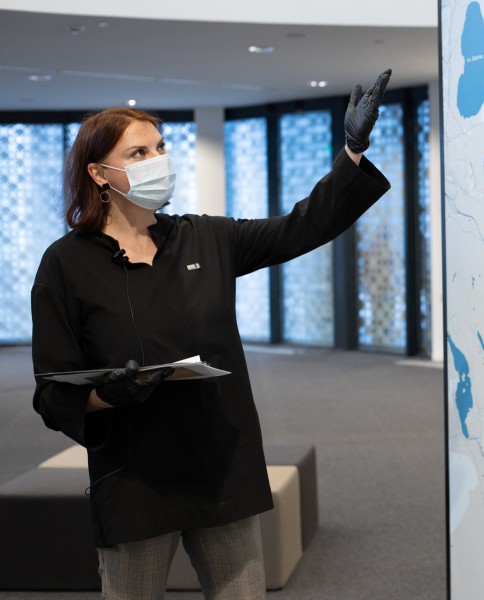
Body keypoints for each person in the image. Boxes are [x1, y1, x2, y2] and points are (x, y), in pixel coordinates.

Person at [31, 68, 392, 598]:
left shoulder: (204, 238)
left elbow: (303, 226)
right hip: (135, 476)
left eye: (160, 147)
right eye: (139, 153)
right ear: (99, 173)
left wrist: (352, 152)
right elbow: (53, 390)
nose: (158, 160)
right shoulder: (66, 264)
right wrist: (109, 395)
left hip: (221, 464)